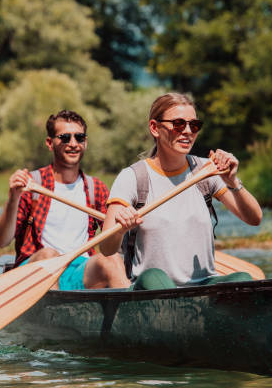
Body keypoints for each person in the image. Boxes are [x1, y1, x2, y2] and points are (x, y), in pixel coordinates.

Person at [100, 92, 262, 290]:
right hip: (149, 287)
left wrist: (231, 181)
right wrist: (122, 227)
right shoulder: (133, 177)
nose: (187, 131)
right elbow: (106, 248)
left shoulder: (206, 171)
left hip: (202, 286)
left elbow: (254, 219)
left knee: (243, 279)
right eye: (178, 124)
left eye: (194, 125)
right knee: (154, 277)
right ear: (155, 128)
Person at [0, 110, 129, 290]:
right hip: (35, 269)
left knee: (112, 259)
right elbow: (1, 240)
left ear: (85, 142)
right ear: (50, 143)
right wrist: (13, 198)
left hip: (79, 268)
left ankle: (130, 313)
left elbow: (111, 244)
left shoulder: (96, 188)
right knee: (49, 255)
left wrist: (123, 227)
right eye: (65, 138)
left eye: (79, 138)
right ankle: (56, 315)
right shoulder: (31, 185)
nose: (73, 144)